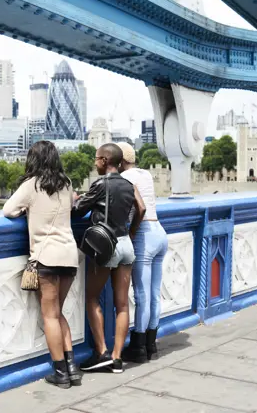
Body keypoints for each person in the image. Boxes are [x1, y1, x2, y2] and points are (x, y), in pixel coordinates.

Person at [3, 141, 82, 389]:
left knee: (50, 315)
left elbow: (8, 210)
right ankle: (72, 368)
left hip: (46, 257)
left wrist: (27, 211)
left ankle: (60, 372)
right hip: (69, 255)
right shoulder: (66, 183)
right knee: (59, 312)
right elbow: (70, 206)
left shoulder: (31, 185)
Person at [73, 143, 146, 374]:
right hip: (126, 244)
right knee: (122, 304)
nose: (95, 163)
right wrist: (132, 231)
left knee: (91, 297)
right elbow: (141, 209)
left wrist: (76, 198)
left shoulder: (100, 184)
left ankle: (102, 351)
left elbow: (77, 209)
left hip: (107, 246)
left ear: (105, 160)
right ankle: (117, 358)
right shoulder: (129, 184)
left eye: (96, 159)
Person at [118, 142, 168, 362]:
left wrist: (132, 232)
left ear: (119, 162)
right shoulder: (146, 174)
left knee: (142, 295)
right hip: (160, 232)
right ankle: (151, 345)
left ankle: (138, 347)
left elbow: (139, 208)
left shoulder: (126, 178)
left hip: (145, 235)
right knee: (154, 293)